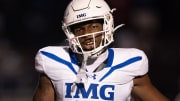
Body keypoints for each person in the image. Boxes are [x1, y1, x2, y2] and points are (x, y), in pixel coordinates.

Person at [33, 0, 169, 101]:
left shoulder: (130, 65)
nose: (87, 35)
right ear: (70, 32)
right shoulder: (53, 62)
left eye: (93, 26)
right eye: (79, 29)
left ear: (107, 25)